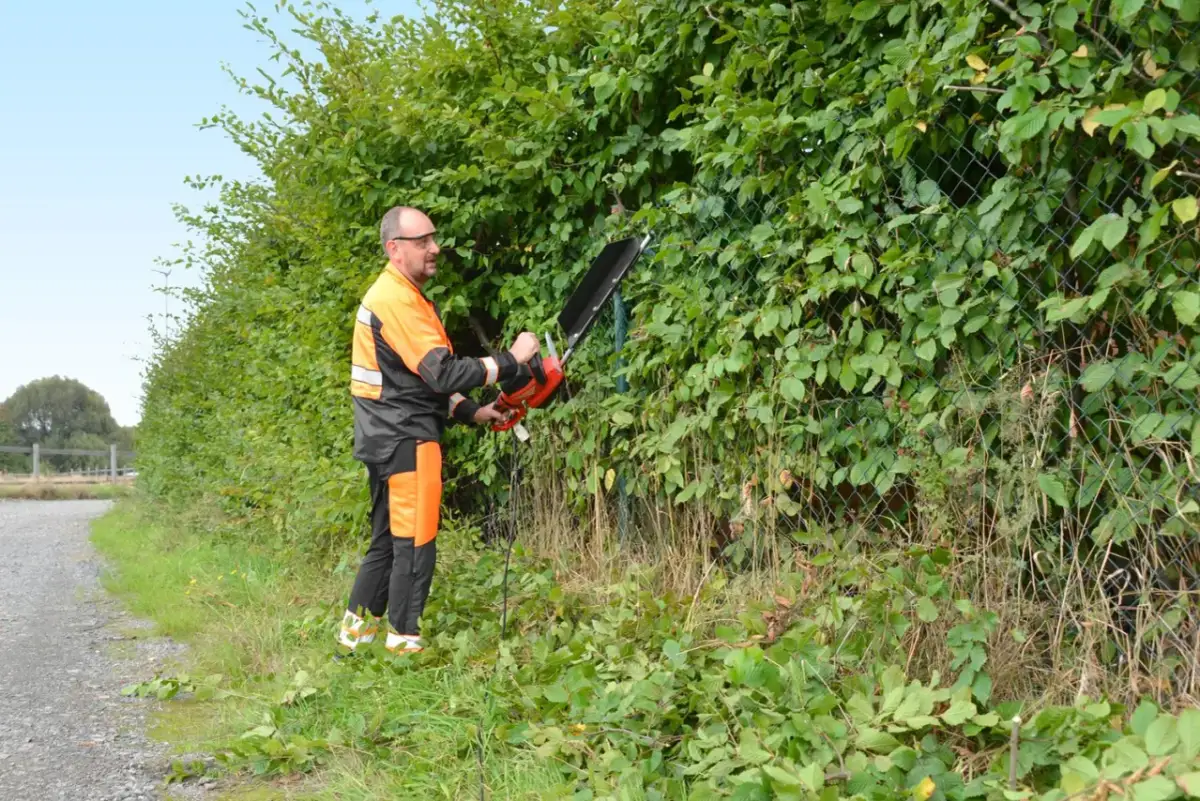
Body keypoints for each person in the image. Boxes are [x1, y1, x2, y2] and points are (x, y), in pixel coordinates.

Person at [337, 206, 539, 655]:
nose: (435, 248)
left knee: (388, 543)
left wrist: (472, 412)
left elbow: (418, 379)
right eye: (423, 241)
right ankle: (403, 649)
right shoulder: (396, 299)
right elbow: (443, 373)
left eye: (434, 238)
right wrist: (513, 360)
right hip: (406, 438)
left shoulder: (400, 295)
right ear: (395, 249)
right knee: (415, 542)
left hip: (387, 437)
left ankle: (352, 646)